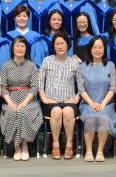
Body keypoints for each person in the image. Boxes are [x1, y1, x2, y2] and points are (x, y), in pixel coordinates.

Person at [38, 32, 81, 160]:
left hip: (69, 101)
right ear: (53, 46)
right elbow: (40, 81)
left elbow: (81, 83)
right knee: (56, 111)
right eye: (57, 44)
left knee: (68, 111)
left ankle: (69, 145)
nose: (60, 46)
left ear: (68, 45)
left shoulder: (74, 62)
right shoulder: (47, 60)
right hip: (51, 101)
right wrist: (43, 97)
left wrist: (78, 97)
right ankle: (55, 145)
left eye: (62, 43)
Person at [0, 36, 41, 161]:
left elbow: (35, 87)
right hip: (11, 99)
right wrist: (10, 102)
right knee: (12, 112)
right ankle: (16, 147)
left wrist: (24, 102)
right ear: (12, 48)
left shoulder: (32, 66)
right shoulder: (6, 66)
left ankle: (24, 145)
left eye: (22, 46)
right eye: (17, 45)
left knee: (23, 112)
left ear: (26, 49)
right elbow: (3, 87)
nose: (20, 48)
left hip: (28, 99)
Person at [77, 36, 116, 163]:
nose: (97, 50)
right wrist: (92, 104)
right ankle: (89, 151)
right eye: (95, 47)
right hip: (87, 103)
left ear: (104, 49)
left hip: (106, 104)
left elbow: (112, 88)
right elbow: (81, 89)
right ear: (90, 49)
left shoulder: (110, 65)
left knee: (103, 117)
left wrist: (103, 104)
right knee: (90, 117)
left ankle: (100, 151)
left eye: (100, 47)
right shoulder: (82, 66)